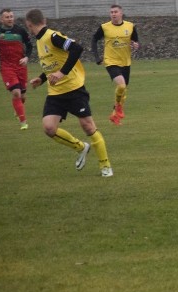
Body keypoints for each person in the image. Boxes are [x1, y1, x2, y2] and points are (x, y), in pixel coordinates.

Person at [24, 9, 113, 177]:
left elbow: (77, 49)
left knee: (88, 126)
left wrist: (62, 73)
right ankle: (81, 147)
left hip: (74, 89)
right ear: (44, 19)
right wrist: (42, 79)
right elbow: (54, 63)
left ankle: (105, 165)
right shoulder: (40, 39)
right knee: (49, 128)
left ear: (29, 25)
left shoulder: (52, 36)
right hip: (55, 93)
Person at [91, 4, 139, 125]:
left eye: (115, 12)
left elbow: (135, 41)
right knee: (121, 86)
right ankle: (118, 108)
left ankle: (115, 116)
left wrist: (135, 45)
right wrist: (97, 57)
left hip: (125, 62)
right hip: (111, 61)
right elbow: (94, 39)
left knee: (123, 91)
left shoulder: (130, 26)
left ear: (121, 13)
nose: (113, 14)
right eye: (111, 12)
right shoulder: (104, 27)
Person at [0, 8, 33, 130]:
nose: (10, 19)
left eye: (11, 16)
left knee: (22, 96)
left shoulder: (20, 31)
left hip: (21, 66)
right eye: (7, 17)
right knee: (16, 92)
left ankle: (17, 109)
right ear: (1, 19)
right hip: (7, 67)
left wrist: (27, 57)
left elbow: (29, 45)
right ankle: (23, 122)